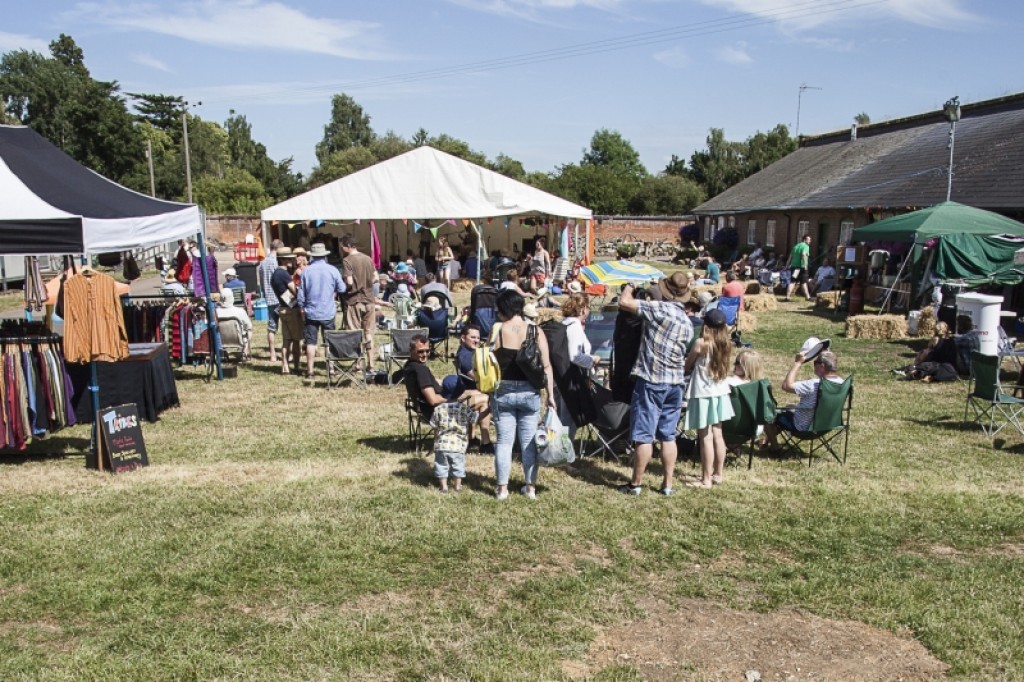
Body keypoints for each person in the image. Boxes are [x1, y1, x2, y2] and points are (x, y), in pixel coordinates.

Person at [617, 272, 694, 496]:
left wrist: (629, 285)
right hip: (675, 383)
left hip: (652, 380)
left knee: (644, 435)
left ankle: (636, 483)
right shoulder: (687, 323)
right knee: (668, 435)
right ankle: (667, 484)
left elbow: (625, 303)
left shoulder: (659, 310)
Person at [491, 289, 556, 500]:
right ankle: (530, 487)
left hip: (504, 391)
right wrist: (551, 396)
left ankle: (502, 488)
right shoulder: (536, 330)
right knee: (529, 442)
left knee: (504, 442)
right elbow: (546, 366)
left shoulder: (499, 330)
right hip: (530, 391)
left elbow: (486, 359)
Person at [683, 308, 734, 489]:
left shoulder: (701, 344)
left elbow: (687, 365)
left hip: (703, 393)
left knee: (705, 436)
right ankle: (718, 474)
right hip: (720, 392)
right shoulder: (726, 343)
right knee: (718, 435)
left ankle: (705, 479)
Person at [763, 349, 843, 449]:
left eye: (815, 362)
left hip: (803, 428)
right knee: (790, 407)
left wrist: (797, 363)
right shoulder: (842, 383)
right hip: (826, 426)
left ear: (822, 366)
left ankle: (774, 447)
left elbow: (786, 386)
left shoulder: (814, 385)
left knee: (768, 417)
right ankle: (765, 441)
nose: (814, 365)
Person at [297, 243, 346, 381]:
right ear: (325, 255)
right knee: (329, 341)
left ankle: (310, 371)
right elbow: (342, 289)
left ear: (312, 256)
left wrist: (302, 307)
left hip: (311, 311)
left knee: (311, 342)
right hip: (328, 311)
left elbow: (301, 294)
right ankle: (330, 369)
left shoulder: (306, 271)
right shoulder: (333, 270)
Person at [557, 292, 601, 435]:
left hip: (560, 376)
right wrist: (592, 360)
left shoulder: (564, 323)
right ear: (583, 309)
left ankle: (558, 449)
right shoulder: (574, 327)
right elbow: (574, 355)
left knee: (562, 417)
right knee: (568, 419)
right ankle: (563, 451)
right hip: (570, 377)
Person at [340, 234, 378, 372]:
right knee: (368, 333)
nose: (341, 248)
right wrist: (366, 284)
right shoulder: (368, 258)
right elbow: (375, 278)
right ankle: (371, 363)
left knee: (355, 333)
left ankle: (357, 364)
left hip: (354, 301)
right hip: (369, 299)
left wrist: (347, 287)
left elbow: (349, 282)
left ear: (348, 246)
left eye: (342, 246)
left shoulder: (347, 261)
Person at [430, 399, 477, 494]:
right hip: (458, 445)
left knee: (441, 466)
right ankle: (457, 486)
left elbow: (434, 425)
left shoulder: (438, 409)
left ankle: (443, 487)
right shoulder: (464, 408)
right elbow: (474, 419)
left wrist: (436, 440)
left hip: (442, 444)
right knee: (458, 466)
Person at [271, 248, 302, 375]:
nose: (292, 261)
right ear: (283, 260)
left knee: (286, 340)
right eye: (289, 258)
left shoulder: (275, 274)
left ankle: (285, 366)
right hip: (292, 309)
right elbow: (294, 290)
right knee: (296, 340)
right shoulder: (283, 274)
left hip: (282, 308)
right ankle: (296, 365)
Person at [258, 239, 283, 363]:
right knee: (287, 326)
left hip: (268, 297)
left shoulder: (262, 263)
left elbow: (261, 282)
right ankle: (285, 352)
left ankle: (272, 353)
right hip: (279, 297)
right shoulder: (276, 262)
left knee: (271, 326)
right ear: (278, 249)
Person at [215, 286, 253, 360]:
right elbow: (249, 326)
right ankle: (245, 351)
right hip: (239, 339)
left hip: (220, 340)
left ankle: (221, 352)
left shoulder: (216, 312)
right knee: (250, 330)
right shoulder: (240, 311)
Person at [785, 235, 812, 301]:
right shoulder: (806, 246)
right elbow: (803, 254)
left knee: (793, 281)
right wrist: (805, 265)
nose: (810, 241)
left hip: (794, 267)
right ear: (804, 240)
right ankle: (808, 297)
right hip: (802, 267)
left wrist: (786, 266)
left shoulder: (795, 246)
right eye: (809, 240)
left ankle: (787, 296)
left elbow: (790, 257)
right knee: (803, 282)